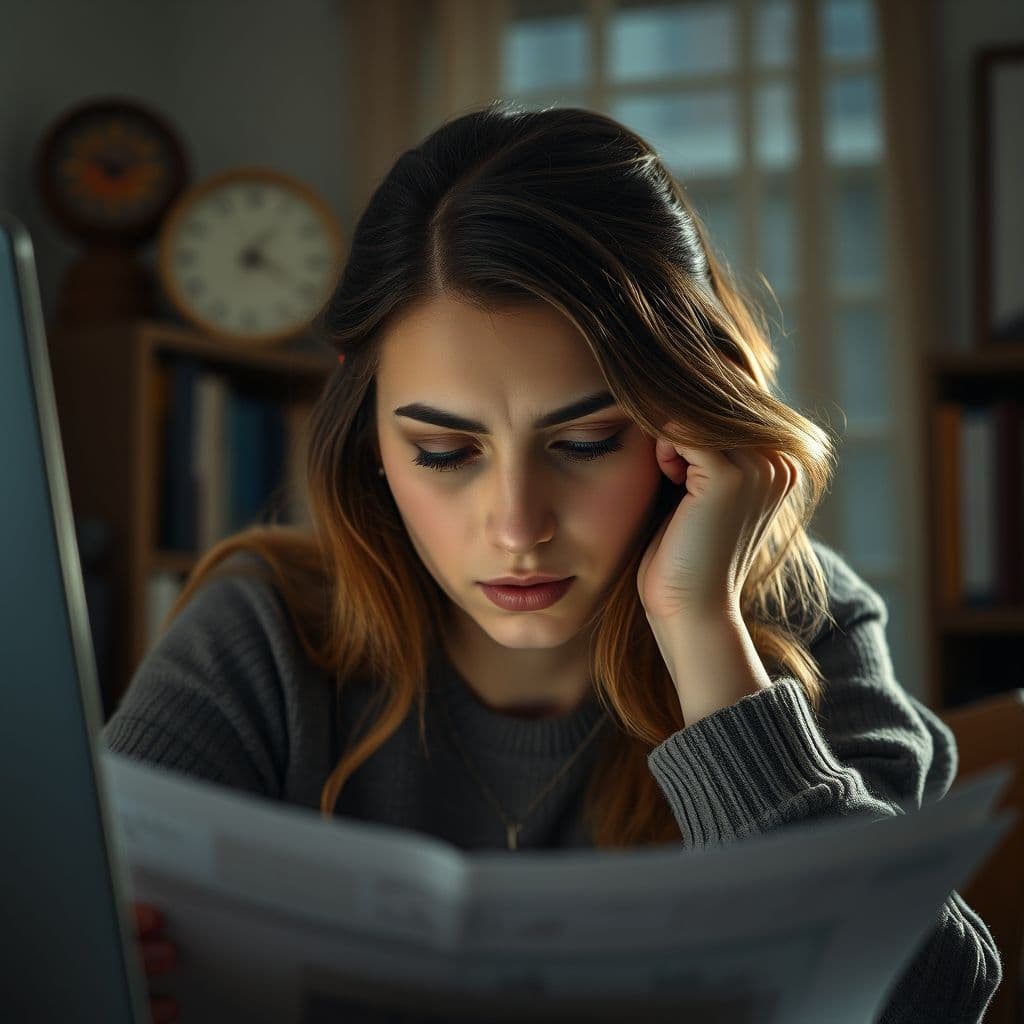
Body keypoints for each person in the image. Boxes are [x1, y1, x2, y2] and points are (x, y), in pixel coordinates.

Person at [104, 102, 1001, 1023]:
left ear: (686, 420)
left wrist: (701, 633)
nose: (518, 526)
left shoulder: (800, 621)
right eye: (445, 454)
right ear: (368, 426)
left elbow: (932, 1000)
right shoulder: (264, 629)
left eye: (585, 442)